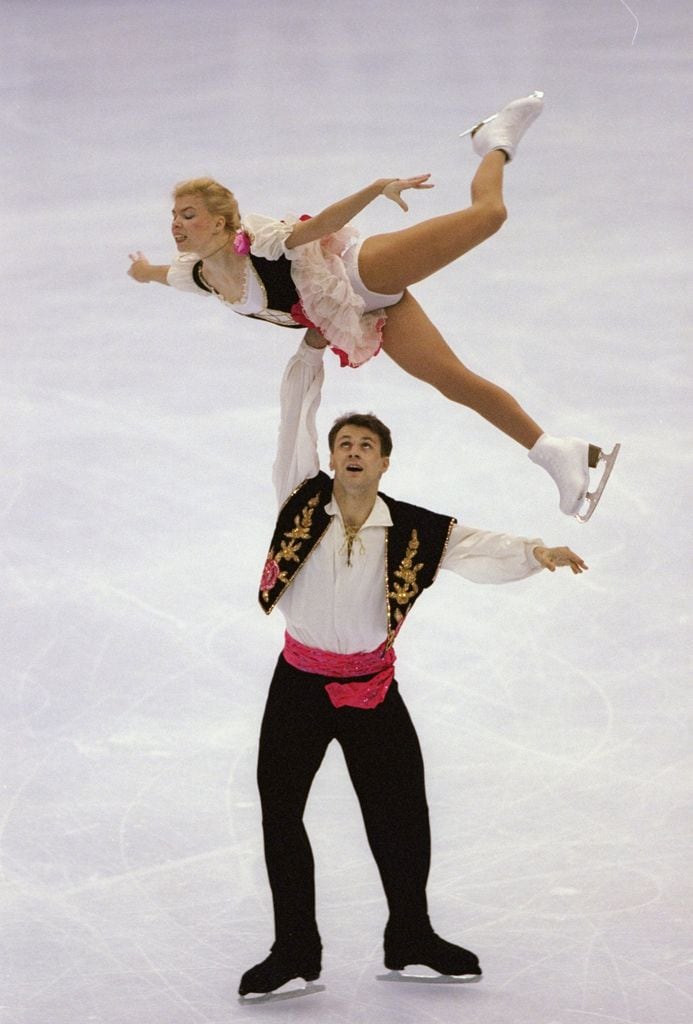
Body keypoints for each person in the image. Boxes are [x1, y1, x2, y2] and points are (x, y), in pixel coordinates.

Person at [238, 329, 588, 997]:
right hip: (299, 686)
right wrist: (309, 356)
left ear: (384, 463)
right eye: (344, 444)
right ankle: (294, 949)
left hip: (370, 687)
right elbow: (294, 421)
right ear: (331, 459)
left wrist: (536, 552)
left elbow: (475, 546)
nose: (351, 452)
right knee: (279, 812)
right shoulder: (297, 499)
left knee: (402, 815)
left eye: (365, 445)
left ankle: (410, 935)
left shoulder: (414, 531)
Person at [127, 92, 619, 521]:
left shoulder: (260, 243)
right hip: (368, 313)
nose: (176, 224)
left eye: (188, 215)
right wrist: (142, 271)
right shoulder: (196, 275)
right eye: (173, 215)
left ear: (219, 223)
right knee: (453, 380)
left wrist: (375, 189)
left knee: (489, 215)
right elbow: (161, 275)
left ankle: (495, 140)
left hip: (362, 272)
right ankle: (554, 451)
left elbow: (318, 227)